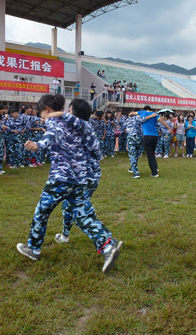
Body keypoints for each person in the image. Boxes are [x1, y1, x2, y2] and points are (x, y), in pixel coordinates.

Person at [17, 94, 123, 273]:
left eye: (41, 113)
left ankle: (33, 249)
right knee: (82, 214)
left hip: (61, 178)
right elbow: (94, 150)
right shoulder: (82, 125)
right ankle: (107, 246)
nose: (41, 117)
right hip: (80, 178)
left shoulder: (56, 122)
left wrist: (38, 144)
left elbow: (53, 133)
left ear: (47, 110)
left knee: (42, 211)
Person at [130, 106, 173, 177]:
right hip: (155, 136)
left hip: (147, 136)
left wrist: (137, 114)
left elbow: (131, 114)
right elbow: (162, 121)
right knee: (152, 154)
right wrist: (169, 128)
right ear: (150, 109)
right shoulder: (155, 114)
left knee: (150, 155)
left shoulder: (142, 112)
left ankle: (154, 173)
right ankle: (155, 168)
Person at [125, 110, 157, 178]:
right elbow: (144, 118)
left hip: (131, 137)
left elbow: (124, 128)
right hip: (138, 138)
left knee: (132, 155)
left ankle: (135, 173)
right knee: (136, 153)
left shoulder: (127, 120)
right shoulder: (137, 118)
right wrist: (152, 115)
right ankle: (132, 168)